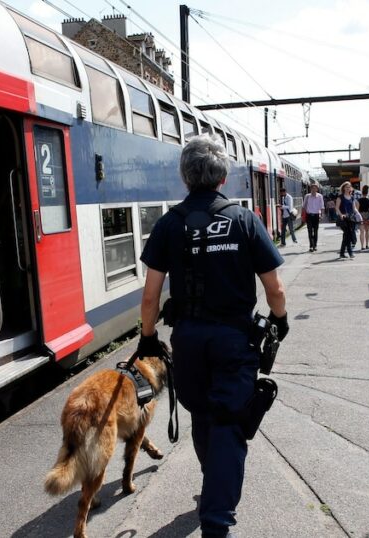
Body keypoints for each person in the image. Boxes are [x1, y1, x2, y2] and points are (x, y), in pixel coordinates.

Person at [138, 136, 289, 538]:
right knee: (228, 424)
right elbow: (274, 288)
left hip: (188, 342)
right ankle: (217, 521)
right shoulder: (244, 220)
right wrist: (281, 320)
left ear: (186, 177)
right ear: (223, 177)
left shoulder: (169, 224)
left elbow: (151, 294)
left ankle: (212, 491)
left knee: (204, 418)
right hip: (234, 343)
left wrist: (148, 338)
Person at [336, 182, 358, 259]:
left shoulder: (352, 197)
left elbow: (354, 207)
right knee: (348, 235)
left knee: (346, 236)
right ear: (343, 188)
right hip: (343, 219)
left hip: (351, 219)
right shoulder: (340, 197)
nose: (348, 188)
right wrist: (341, 214)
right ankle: (350, 252)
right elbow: (337, 208)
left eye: (349, 187)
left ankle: (342, 253)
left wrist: (357, 213)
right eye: (346, 187)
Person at [302, 183, 324, 252]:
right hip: (309, 216)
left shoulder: (320, 196)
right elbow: (304, 206)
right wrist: (303, 215)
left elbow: (322, 206)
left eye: (315, 188)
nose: (313, 190)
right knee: (310, 231)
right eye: (312, 188)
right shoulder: (307, 196)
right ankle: (311, 246)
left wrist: (322, 215)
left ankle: (315, 245)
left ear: (317, 189)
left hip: (316, 215)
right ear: (310, 189)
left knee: (315, 231)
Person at [357, 184, 369, 250]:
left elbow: (357, 210)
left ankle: (362, 246)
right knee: (367, 231)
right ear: (367, 193)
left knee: (362, 232)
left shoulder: (358, 200)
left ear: (362, 193)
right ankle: (367, 245)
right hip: (367, 216)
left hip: (361, 216)